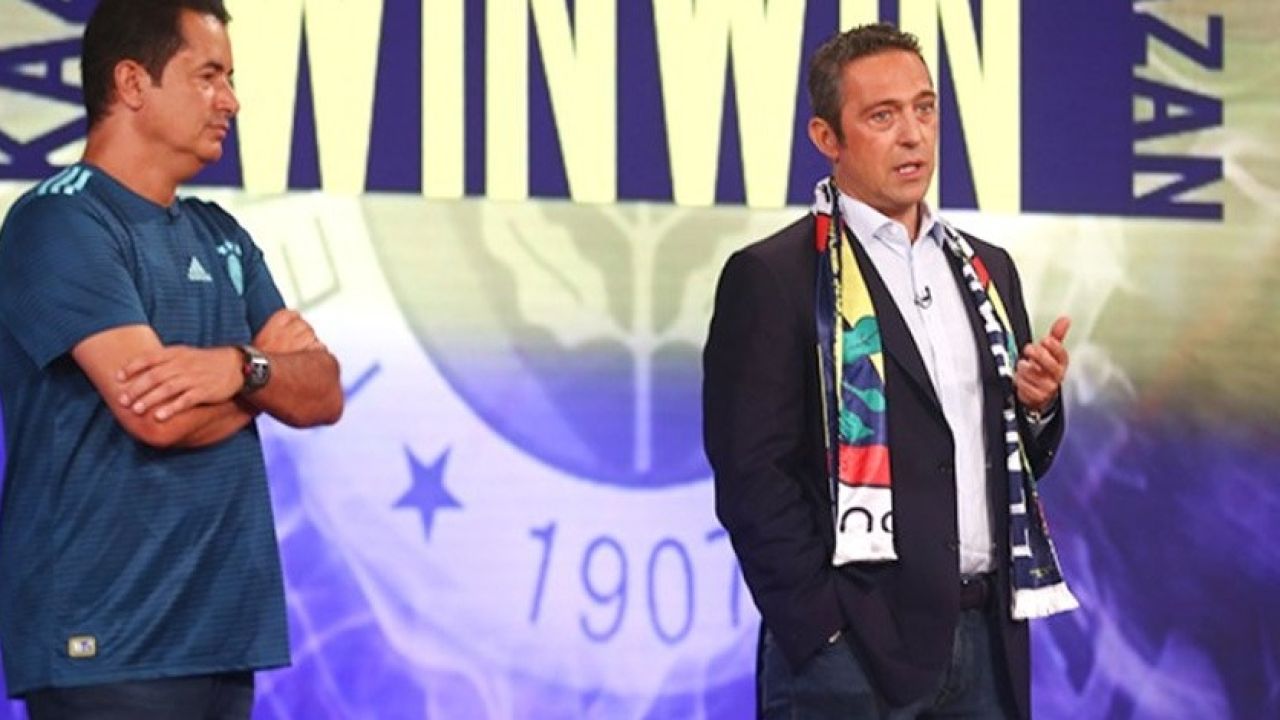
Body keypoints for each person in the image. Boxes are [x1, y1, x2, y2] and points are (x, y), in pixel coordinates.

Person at [703, 24, 1078, 720]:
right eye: (883, 116)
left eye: (924, 108)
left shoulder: (987, 270)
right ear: (827, 137)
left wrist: (1035, 406)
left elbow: (1008, 460)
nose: (913, 135)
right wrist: (820, 631)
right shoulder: (776, 277)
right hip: (849, 656)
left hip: (987, 643)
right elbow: (752, 474)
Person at [0, 1, 343, 717]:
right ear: (132, 82)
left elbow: (323, 393)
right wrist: (265, 378)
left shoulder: (221, 234)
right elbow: (156, 417)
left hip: (223, 640)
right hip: (104, 644)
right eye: (208, 75)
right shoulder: (59, 221)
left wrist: (239, 368)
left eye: (230, 78)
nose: (231, 101)